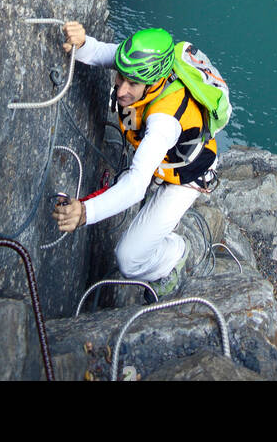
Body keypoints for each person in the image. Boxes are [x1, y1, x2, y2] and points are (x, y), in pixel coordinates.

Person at [54, 22, 218, 299]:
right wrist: (82, 43)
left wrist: (85, 212)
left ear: (154, 82)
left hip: (185, 177)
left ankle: (175, 254)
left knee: (128, 259)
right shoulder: (141, 64)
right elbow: (105, 53)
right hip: (163, 158)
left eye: (132, 84)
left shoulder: (163, 122)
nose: (120, 90)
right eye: (120, 78)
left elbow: (135, 186)